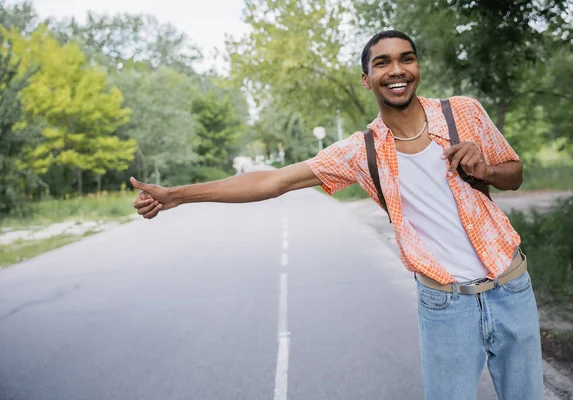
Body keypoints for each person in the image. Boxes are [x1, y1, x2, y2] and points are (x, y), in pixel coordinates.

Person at [131, 30, 544, 400]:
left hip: (511, 288)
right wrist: (178, 196)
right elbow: (273, 181)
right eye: (382, 63)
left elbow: (515, 174)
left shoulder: (463, 113)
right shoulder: (359, 152)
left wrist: (487, 170)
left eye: (406, 58)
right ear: (367, 79)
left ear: (417, 67)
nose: (397, 70)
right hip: (445, 304)